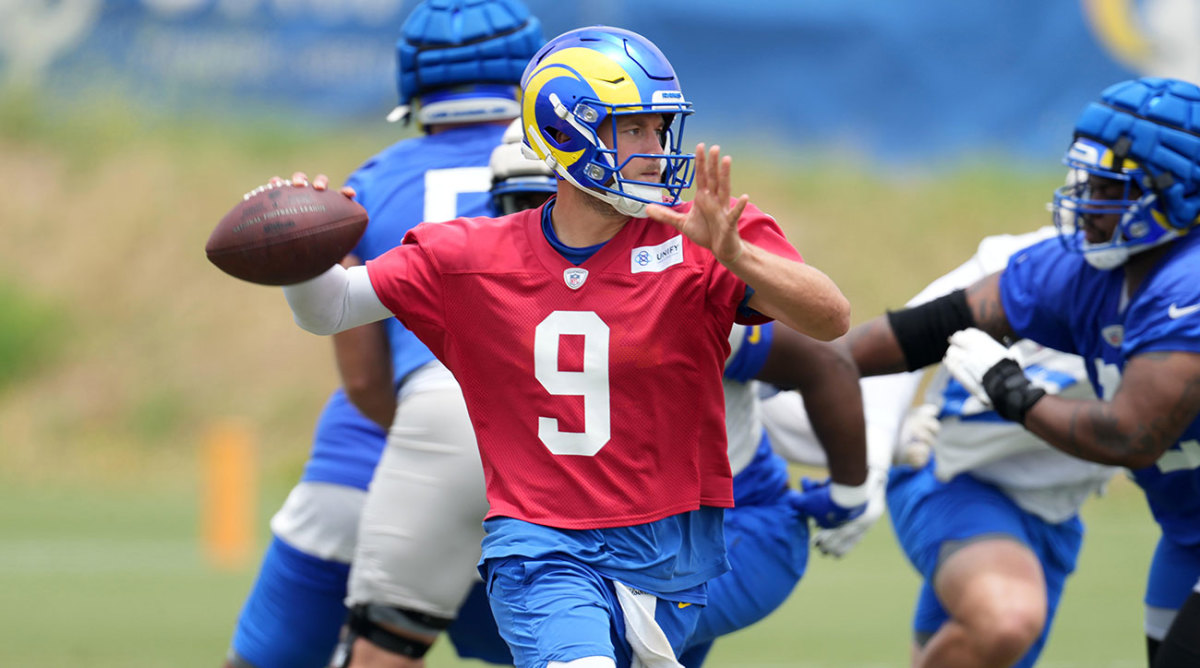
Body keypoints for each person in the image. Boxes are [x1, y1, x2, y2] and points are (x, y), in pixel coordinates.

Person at [273, 24, 853, 668]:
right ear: (565, 132)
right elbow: (330, 309)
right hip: (542, 546)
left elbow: (830, 319)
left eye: (660, 128)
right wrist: (301, 256)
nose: (656, 149)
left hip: (671, 551)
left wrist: (738, 256)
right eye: (633, 128)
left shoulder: (704, 236)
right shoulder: (470, 255)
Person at [222, 3, 544, 667]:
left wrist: (431, 446)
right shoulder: (577, 173)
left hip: (376, 452)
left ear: (413, 82)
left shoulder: (373, 182)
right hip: (552, 457)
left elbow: (366, 380)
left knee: (279, 658)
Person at [839, 77, 1200, 668]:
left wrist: (1010, 390)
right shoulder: (1083, 270)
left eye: (1110, 187)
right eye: (1087, 181)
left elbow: (1132, 436)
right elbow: (925, 328)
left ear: (1178, 194)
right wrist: (793, 364)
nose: (1088, 203)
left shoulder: (1188, 285)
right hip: (1186, 531)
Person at [764, 227, 1119, 668]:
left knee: (988, 645)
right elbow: (902, 342)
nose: (1091, 203)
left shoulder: (1176, 298)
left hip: (1059, 508)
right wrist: (870, 466)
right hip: (950, 475)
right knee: (1006, 620)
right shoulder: (1027, 260)